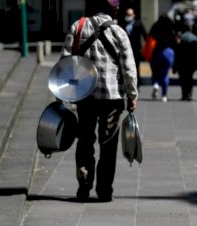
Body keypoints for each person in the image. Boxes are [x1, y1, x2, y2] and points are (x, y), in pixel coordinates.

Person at [60, 0, 138, 202]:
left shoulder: (77, 27)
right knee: (108, 143)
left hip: (84, 95)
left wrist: (62, 94)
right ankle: (104, 189)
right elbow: (128, 68)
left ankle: (84, 184)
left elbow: (65, 63)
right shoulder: (119, 32)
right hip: (111, 97)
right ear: (113, 9)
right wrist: (132, 95)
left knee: (85, 139)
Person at [149, 15, 176, 102]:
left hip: (157, 52)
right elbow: (174, 41)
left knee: (155, 71)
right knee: (165, 74)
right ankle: (164, 95)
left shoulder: (156, 27)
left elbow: (149, 36)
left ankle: (156, 84)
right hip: (168, 52)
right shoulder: (171, 28)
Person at [173, 22, 197, 101]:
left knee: (183, 79)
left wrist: (175, 66)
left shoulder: (181, 38)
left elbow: (177, 52)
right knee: (190, 78)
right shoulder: (195, 38)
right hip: (192, 63)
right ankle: (189, 94)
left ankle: (184, 94)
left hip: (182, 63)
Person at [118, 7, 147, 88]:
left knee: (136, 67)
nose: (128, 16)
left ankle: (136, 84)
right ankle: (125, 83)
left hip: (136, 50)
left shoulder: (138, 23)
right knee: (124, 66)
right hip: (124, 50)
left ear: (133, 15)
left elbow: (145, 36)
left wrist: (145, 48)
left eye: (130, 15)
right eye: (127, 15)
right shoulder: (121, 24)